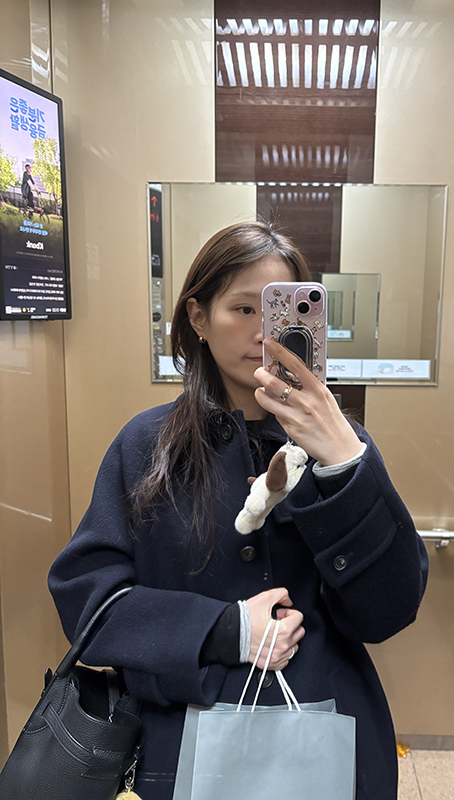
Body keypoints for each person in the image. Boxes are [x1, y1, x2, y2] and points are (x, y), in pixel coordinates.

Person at [48, 221, 428, 800]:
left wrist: (345, 464)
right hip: (179, 739)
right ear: (198, 318)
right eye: (244, 309)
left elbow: (389, 612)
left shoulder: (342, 444)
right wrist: (222, 630)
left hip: (327, 734)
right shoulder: (147, 446)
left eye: (280, 312)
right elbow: (87, 603)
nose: (263, 333)